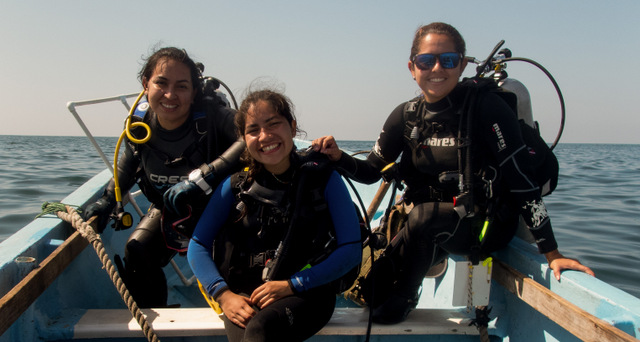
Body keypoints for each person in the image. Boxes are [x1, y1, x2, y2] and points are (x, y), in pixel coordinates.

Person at [312, 22, 594, 324]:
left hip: (483, 226)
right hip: (429, 225)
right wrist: (337, 156)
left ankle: (406, 297)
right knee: (373, 289)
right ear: (412, 67)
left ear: (461, 64)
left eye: (447, 60)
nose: (437, 68)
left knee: (423, 220)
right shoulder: (406, 116)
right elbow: (370, 171)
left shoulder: (487, 109)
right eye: (426, 60)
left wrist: (551, 252)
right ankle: (403, 278)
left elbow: (521, 181)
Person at [188, 88, 362, 342]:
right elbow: (197, 244)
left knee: (260, 330)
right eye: (253, 130)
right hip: (245, 297)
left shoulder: (323, 179)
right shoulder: (235, 185)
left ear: (292, 127)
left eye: (273, 124)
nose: (265, 136)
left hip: (308, 291)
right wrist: (223, 295)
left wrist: (292, 285)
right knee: (254, 329)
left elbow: (351, 250)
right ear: (243, 138)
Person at [82, 47, 240, 308]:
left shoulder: (214, 117)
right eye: (161, 83)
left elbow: (250, 137)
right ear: (146, 84)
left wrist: (206, 174)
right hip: (169, 209)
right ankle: (157, 320)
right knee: (137, 252)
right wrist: (109, 199)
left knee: (236, 263)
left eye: (181, 86)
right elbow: (128, 165)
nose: (170, 95)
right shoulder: (140, 124)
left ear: (194, 92)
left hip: (221, 210)